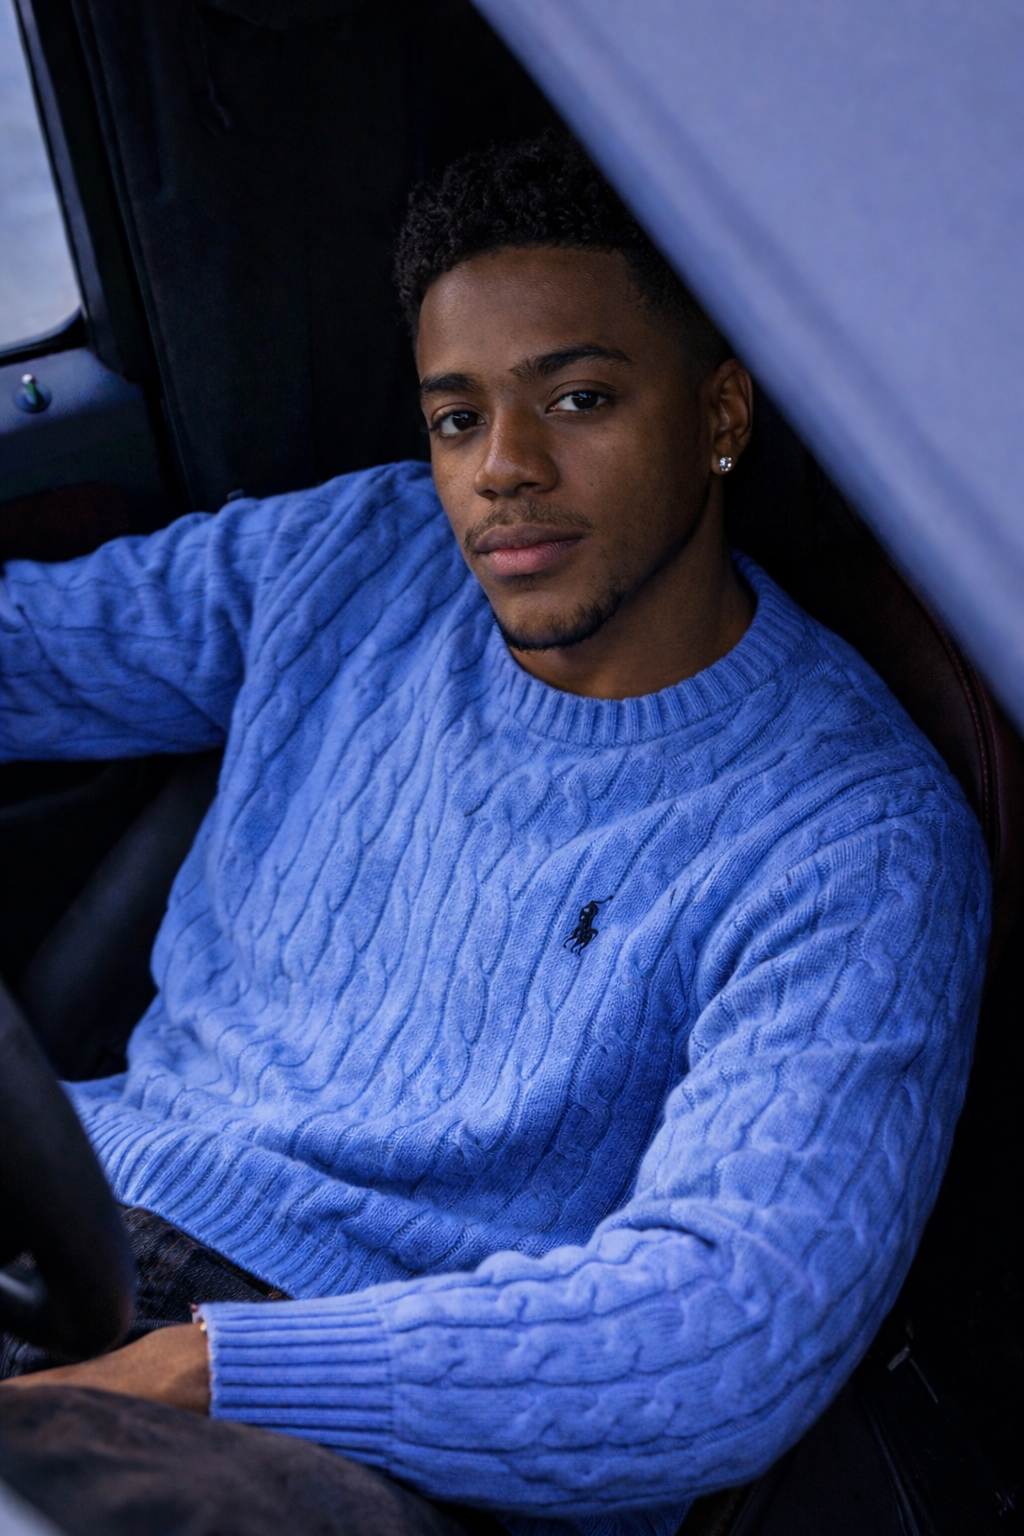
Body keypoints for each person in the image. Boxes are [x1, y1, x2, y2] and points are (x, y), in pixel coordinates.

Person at [0, 134, 988, 1536]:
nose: (503, 469)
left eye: (577, 398)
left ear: (719, 412)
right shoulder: (361, 558)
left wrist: (209, 1373)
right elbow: (32, 648)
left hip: (344, 1406)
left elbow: (726, 1321)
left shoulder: (852, 838)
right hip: (68, 1225)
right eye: (458, 417)